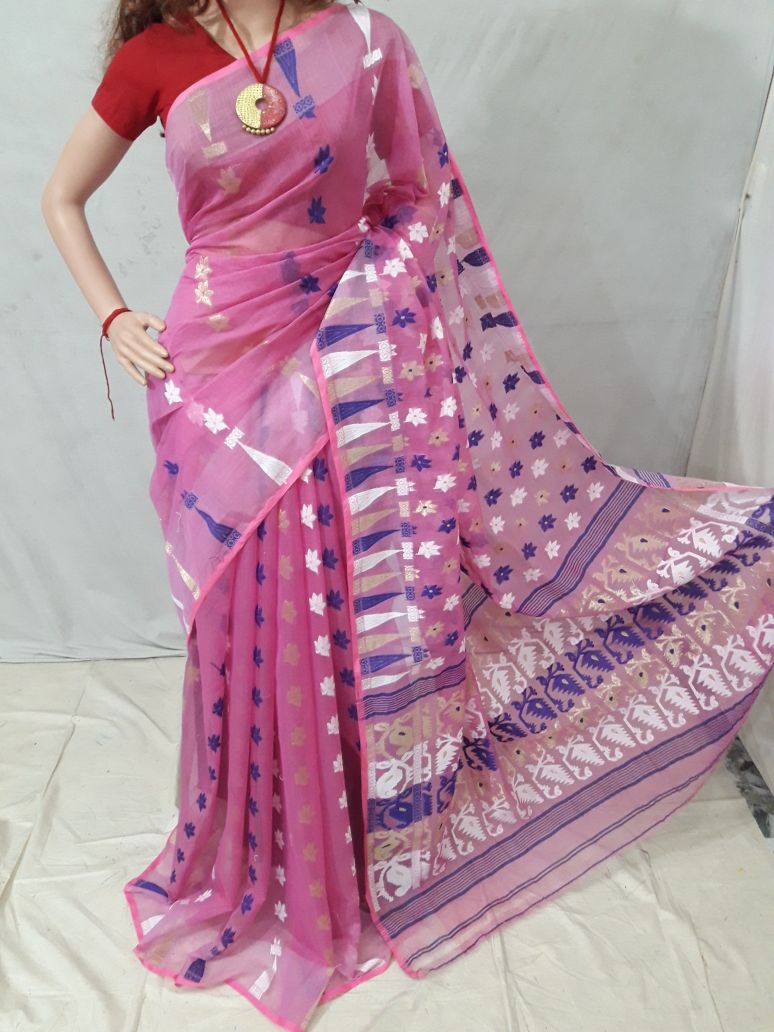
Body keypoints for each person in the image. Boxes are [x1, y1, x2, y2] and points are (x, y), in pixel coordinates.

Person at [41, 1, 774, 1029]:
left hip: (344, 362)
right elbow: (61, 197)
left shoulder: (367, 42)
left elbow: (418, 197)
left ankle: (347, 837)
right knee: (240, 606)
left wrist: (369, 305)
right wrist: (114, 315)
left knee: (336, 599)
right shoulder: (155, 56)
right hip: (215, 371)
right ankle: (253, 846)